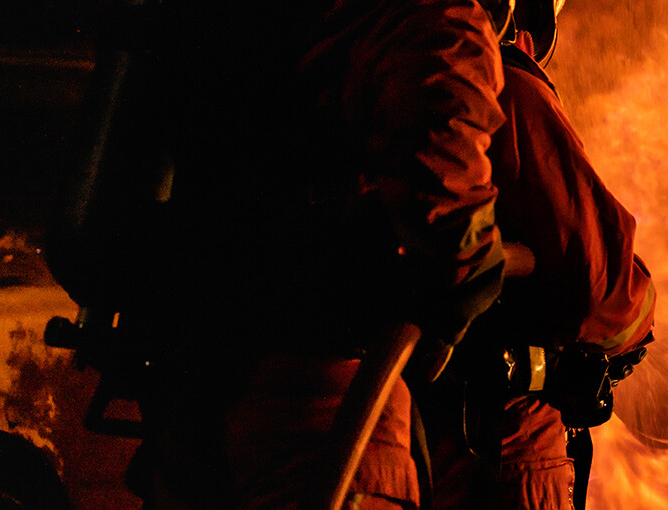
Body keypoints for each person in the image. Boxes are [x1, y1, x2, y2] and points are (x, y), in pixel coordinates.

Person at [46, 0, 510, 508]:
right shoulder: (429, 20)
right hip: (324, 412)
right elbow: (444, 201)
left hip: (195, 395)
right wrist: (468, 288)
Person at [421, 1, 657, 508]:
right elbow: (602, 290)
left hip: (405, 440)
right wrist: (633, 328)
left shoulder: (361, 71)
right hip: (502, 446)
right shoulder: (509, 93)